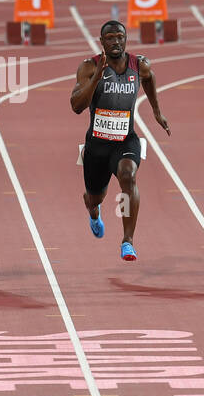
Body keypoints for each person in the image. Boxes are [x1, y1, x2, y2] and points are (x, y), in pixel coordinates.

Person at [69, 20, 170, 262]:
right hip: (97, 145)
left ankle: (128, 241)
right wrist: (95, 79)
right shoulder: (88, 67)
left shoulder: (139, 65)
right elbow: (76, 106)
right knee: (94, 197)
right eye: (110, 37)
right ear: (101, 42)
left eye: (120, 37)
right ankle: (94, 212)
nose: (116, 41)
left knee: (128, 175)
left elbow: (150, 78)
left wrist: (157, 111)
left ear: (126, 39)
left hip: (126, 140)